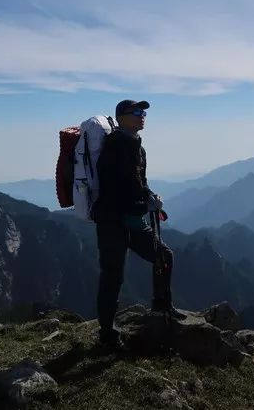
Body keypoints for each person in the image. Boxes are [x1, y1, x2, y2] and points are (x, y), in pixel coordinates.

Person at [91, 98, 184, 348]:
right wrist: (145, 204)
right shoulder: (114, 148)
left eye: (143, 112)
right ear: (121, 117)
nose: (142, 115)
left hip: (131, 219)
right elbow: (116, 191)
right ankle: (107, 333)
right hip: (112, 221)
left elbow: (139, 183)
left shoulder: (137, 148)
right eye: (136, 112)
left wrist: (150, 196)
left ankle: (162, 307)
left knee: (163, 256)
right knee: (113, 275)